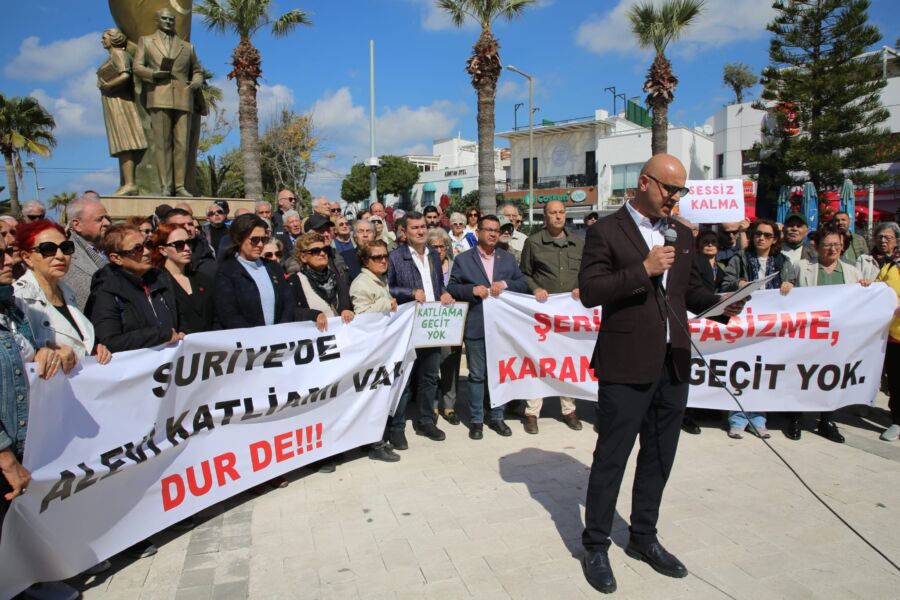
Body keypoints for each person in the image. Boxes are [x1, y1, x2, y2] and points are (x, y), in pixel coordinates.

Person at [577, 154, 746, 594]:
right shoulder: (605, 231)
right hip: (626, 363)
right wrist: (643, 270)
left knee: (659, 456)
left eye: (681, 191)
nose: (676, 198)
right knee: (612, 456)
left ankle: (643, 538)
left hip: (674, 362)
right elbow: (591, 292)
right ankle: (595, 544)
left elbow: (689, 292)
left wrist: (725, 304)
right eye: (670, 189)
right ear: (645, 182)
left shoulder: (685, 236)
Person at [0, 232, 92, 600]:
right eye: (2, 254)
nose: (8, 260)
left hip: (26, 430)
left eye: (7, 252)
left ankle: (29, 579)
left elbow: (28, 353)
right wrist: (4, 452)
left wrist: (49, 350)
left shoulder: (11, 309)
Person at [781, 224, 869, 444]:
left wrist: (867, 288)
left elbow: (862, 302)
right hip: (809, 335)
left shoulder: (852, 272)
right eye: (828, 245)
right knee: (802, 376)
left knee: (832, 378)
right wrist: (786, 286)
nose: (833, 249)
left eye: (837, 245)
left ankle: (826, 420)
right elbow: (789, 292)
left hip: (838, 337)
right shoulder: (801, 266)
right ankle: (796, 418)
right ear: (817, 246)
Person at [448, 215, 529, 439]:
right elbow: (452, 287)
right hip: (476, 326)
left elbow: (523, 284)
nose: (493, 234)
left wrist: (505, 284)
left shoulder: (508, 259)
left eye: (496, 230)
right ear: (478, 233)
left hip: (502, 329)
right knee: (477, 376)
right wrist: (472, 289)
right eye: (489, 230)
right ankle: (476, 420)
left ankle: (497, 417)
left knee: (500, 375)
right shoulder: (464, 259)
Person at [387, 211, 454, 448]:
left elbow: (439, 284)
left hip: (431, 324)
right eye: (414, 228)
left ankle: (426, 421)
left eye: (423, 227)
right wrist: (410, 293)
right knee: (404, 379)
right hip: (407, 326)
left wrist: (445, 293)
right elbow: (388, 288)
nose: (421, 231)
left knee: (428, 377)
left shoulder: (434, 255)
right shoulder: (395, 257)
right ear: (404, 232)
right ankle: (397, 426)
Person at [519, 200, 584, 434]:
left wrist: (581, 288)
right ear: (544, 217)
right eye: (552, 213)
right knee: (539, 362)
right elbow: (524, 273)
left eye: (561, 212)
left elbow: (586, 273)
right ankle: (532, 413)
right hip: (542, 316)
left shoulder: (578, 243)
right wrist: (535, 288)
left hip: (570, 315)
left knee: (567, 362)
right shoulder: (533, 242)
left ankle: (569, 410)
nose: (558, 216)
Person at [14, 219, 113, 364]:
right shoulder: (17, 298)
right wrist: (38, 355)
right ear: (27, 257)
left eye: (66, 247)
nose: (60, 256)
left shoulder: (67, 293)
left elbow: (77, 341)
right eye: (48, 249)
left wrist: (94, 349)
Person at [133, 8, 204, 197]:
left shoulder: (187, 47)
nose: (168, 22)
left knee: (182, 144)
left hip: (183, 97)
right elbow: (137, 67)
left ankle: (180, 186)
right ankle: (166, 185)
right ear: (157, 20)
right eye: (164, 18)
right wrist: (153, 74)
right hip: (159, 95)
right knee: (162, 143)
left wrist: (196, 81)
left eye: (171, 19)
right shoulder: (146, 41)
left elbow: (197, 69)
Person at [86, 223, 182, 353]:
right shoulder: (106, 290)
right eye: (137, 249)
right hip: (133, 369)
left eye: (147, 245)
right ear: (117, 258)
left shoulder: (161, 279)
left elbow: (180, 322)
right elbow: (108, 341)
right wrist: (159, 335)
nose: (147, 252)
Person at [349, 240, 401, 463]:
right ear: (364, 261)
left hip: (382, 347)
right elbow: (361, 316)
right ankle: (372, 444)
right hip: (369, 350)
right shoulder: (361, 284)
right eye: (376, 257)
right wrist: (385, 304)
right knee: (371, 396)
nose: (382, 260)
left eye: (384, 256)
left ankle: (376, 439)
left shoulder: (379, 279)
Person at [213, 214, 294, 330]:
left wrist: (280, 330)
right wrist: (256, 338)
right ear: (238, 239)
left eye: (264, 239)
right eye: (254, 240)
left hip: (278, 339)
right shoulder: (226, 272)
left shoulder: (273, 267)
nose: (260, 244)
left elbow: (288, 302)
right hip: (248, 342)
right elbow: (228, 314)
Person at [97, 28, 148, 197]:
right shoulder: (112, 56)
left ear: (114, 39)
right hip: (113, 102)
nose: (102, 40)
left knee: (124, 142)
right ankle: (127, 182)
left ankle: (130, 183)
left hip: (121, 102)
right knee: (120, 144)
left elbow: (126, 75)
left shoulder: (119, 54)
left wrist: (108, 85)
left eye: (104, 38)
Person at [865, 222, 900, 441]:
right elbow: (877, 292)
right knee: (895, 381)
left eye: (888, 237)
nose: (883, 241)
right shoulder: (888, 266)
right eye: (880, 238)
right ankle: (897, 420)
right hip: (893, 335)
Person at [152, 224, 215, 334]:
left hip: (210, 346)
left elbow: (216, 316)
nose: (187, 249)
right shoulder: (156, 284)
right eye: (179, 245)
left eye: (189, 243)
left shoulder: (202, 279)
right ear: (163, 250)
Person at [425, 227, 459, 425]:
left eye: (442, 246)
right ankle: (432, 405)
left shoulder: (456, 265)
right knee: (430, 366)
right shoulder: (424, 267)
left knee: (450, 364)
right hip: (431, 323)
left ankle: (449, 405)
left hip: (453, 323)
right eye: (434, 246)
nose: (438, 250)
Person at [62, 197, 111, 311]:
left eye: (107, 218)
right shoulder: (68, 258)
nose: (107, 223)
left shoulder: (112, 249)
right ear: (77, 224)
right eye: (99, 219)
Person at [721, 219, 796, 294]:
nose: (761, 238)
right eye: (758, 234)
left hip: (776, 303)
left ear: (774, 240)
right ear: (753, 236)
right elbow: (725, 286)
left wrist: (789, 285)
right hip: (747, 303)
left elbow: (794, 285)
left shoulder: (783, 260)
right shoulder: (739, 258)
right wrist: (738, 284)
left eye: (767, 235)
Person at [163, 208, 217, 280]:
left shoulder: (207, 254)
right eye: (181, 225)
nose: (188, 228)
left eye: (190, 224)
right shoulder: (156, 263)